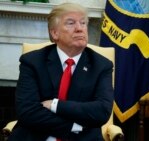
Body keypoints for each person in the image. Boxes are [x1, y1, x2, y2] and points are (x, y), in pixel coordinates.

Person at [8, 3, 114, 141]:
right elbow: (27, 112)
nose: (79, 29)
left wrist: (55, 105)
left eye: (83, 23)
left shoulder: (101, 65)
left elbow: (102, 112)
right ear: (54, 33)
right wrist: (75, 125)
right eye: (71, 23)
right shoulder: (32, 61)